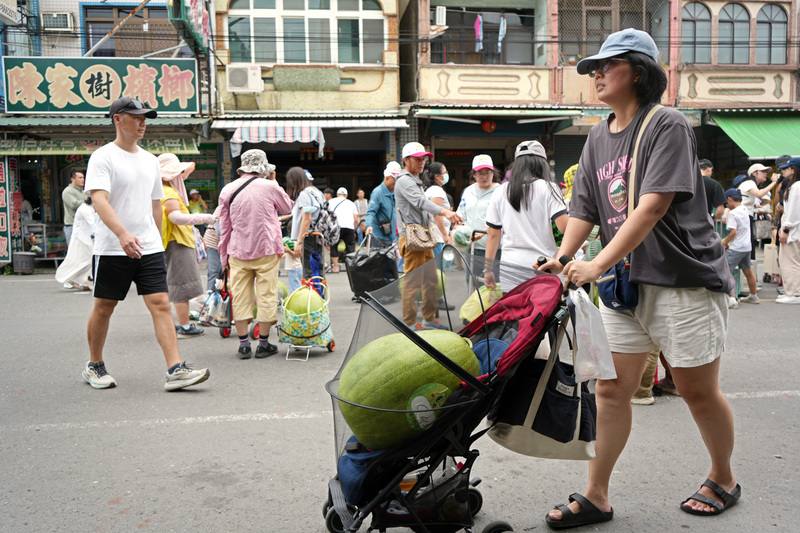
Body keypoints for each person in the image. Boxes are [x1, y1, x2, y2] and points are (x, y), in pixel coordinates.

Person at [538, 29, 738, 527]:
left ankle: (724, 477)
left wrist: (597, 264)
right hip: (626, 288)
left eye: (607, 65)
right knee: (610, 391)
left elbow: (651, 206)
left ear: (639, 71)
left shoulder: (666, 124)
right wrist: (563, 258)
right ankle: (597, 495)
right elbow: (584, 206)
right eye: (593, 69)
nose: (596, 75)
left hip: (682, 280)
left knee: (695, 389)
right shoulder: (597, 137)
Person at [83, 96, 210, 391]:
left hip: (149, 246)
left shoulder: (150, 160)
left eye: (145, 118)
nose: (142, 123)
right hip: (112, 246)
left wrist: (157, 238)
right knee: (105, 305)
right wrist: (122, 234)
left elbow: (156, 205)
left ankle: (175, 369)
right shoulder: (103, 157)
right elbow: (99, 200)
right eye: (136, 117)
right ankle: (94, 364)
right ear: (118, 119)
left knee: (161, 304)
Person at [219, 149, 293, 359]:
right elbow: (287, 206)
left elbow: (225, 227)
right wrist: (274, 180)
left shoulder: (228, 190)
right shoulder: (270, 187)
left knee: (240, 296)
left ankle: (243, 345)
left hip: (238, 251)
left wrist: (224, 257)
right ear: (264, 167)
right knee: (266, 294)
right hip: (266, 250)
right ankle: (263, 344)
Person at [483, 141, 568, 293]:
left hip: (510, 268)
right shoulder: (549, 188)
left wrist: (487, 270)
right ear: (542, 164)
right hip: (542, 267)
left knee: (515, 314)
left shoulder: (500, 191)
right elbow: (565, 228)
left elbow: (493, 235)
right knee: (545, 315)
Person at [394, 142, 461, 329]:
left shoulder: (415, 179)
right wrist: (446, 212)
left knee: (431, 279)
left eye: (423, 158)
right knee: (413, 281)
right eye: (417, 158)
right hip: (412, 237)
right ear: (406, 160)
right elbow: (420, 202)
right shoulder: (404, 180)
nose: (422, 162)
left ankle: (428, 319)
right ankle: (410, 323)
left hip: (422, 236)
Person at [158, 153, 216, 338]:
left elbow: (188, 169)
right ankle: (184, 325)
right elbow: (175, 217)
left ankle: (176, 324)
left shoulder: (163, 189)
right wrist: (207, 218)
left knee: (177, 285)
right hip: (177, 242)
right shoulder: (168, 193)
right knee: (181, 285)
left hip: (175, 241)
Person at [455, 154, 501, 265]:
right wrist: (460, 232)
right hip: (472, 248)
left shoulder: (501, 191)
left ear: (493, 173)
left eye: (487, 172)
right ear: (474, 175)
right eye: (480, 173)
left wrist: (485, 233)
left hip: (496, 249)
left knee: (493, 281)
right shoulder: (468, 191)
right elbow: (460, 217)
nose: (484, 177)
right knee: (472, 281)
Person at [285, 166, 326, 291]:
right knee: (317, 271)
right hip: (317, 235)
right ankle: (319, 301)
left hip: (307, 237)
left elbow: (306, 218)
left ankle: (310, 304)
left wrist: (299, 241)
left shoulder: (304, 194)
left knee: (307, 273)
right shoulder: (316, 192)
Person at [721, 188, 759, 307]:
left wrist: (724, 241)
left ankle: (731, 299)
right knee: (748, 271)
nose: (727, 205)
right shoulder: (745, 209)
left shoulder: (733, 213)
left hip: (736, 247)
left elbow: (733, 232)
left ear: (730, 199)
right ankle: (753, 296)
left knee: (726, 272)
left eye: (726, 203)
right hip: (746, 247)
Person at [56, 193, 96, 290]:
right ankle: (68, 279)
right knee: (80, 260)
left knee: (86, 260)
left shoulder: (90, 208)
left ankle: (81, 281)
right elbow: (93, 224)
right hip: (81, 240)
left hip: (87, 239)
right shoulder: (84, 209)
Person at [739, 163, 779, 259]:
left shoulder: (751, 184)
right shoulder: (749, 183)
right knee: (747, 242)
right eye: (763, 171)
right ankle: (748, 263)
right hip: (744, 216)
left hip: (746, 216)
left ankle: (748, 264)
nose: (766, 174)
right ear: (755, 173)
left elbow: (750, 200)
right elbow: (759, 194)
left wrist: (759, 204)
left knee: (749, 242)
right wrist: (774, 182)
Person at [776, 157, 800, 304]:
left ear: (794, 169)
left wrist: (785, 229)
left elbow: (793, 212)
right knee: (794, 261)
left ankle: (793, 293)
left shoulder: (796, 187)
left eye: (786, 168)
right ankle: (793, 292)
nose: (783, 171)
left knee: (789, 262)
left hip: (793, 231)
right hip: (795, 230)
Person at [424, 162, 454, 270]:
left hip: (433, 236)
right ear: (437, 176)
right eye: (444, 172)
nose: (446, 174)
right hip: (438, 237)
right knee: (439, 272)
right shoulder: (437, 191)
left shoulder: (430, 190)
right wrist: (445, 235)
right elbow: (437, 214)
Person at [365, 161, 401, 248]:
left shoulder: (395, 193)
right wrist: (369, 226)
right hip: (378, 238)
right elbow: (370, 212)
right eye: (394, 181)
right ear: (387, 178)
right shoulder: (378, 192)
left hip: (392, 237)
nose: (396, 184)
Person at [328, 187, 359, 273]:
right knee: (350, 246)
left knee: (334, 246)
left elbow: (326, 215)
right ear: (346, 195)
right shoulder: (351, 203)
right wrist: (355, 229)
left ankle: (336, 267)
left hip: (335, 227)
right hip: (349, 227)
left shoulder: (331, 202)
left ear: (337, 194)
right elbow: (356, 218)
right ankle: (350, 267)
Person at [62, 169, 85, 249]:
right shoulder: (67, 191)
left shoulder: (84, 192)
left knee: (84, 252)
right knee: (74, 251)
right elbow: (74, 205)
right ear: (72, 179)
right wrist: (88, 202)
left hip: (84, 225)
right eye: (80, 177)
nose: (83, 179)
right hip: (72, 226)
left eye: (83, 177)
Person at [203, 206, 223, 292]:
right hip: (213, 243)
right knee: (214, 271)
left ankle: (222, 296)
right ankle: (211, 298)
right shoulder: (222, 208)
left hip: (225, 244)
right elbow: (219, 231)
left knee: (223, 272)